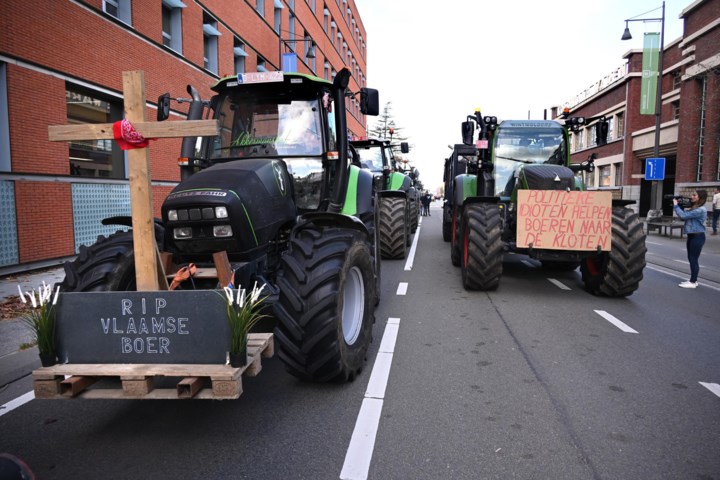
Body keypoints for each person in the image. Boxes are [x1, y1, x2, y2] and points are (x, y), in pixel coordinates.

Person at [673, 189, 708, 288]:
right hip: (692, 236)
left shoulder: (701, 210)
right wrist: (680, 205)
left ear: (700, 198)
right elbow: (684, 215)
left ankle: (693, 282)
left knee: (693, 259)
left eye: (694, 195)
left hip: (698, 236)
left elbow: (683, 216)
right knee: (691, 258)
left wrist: (676, 205)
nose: (692, 196)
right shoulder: (695, 207)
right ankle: (693, 280)